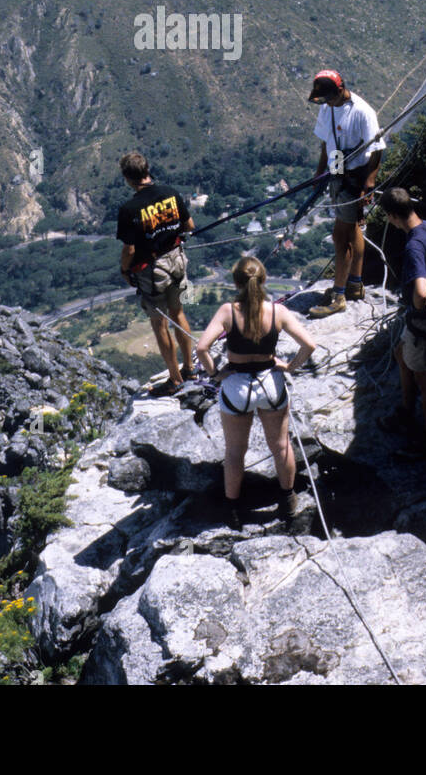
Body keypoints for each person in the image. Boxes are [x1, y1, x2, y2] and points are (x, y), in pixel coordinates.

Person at [195, 256, 317, 528]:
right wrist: (289, 367)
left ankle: (233, 511)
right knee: (281, 446)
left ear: (236, 282)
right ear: (262, 280)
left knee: (235, 452)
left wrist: (216, 373)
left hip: (237, 386)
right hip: (270, 383)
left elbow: (201, 348)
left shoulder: (228, 312)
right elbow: (309, 344)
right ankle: (287, 501)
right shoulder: (277, 312)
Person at [307, 69, 386, 316]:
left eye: (329, 97)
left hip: (354, 179)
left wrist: (369, 183)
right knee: (351, 231)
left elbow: (377, 149)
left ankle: (338, 296)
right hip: (336, 174)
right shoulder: (327, 107)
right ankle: (354, 284)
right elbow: (325, 142)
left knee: (340, 236)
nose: (326, 102)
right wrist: (320, 172)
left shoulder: (363, 112)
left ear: (340, 90)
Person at [378, 187, 426, 457]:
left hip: (425, 321)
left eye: (388, 216)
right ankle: (407, 412)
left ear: (394, 215)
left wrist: (420, 303)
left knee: (425, 378)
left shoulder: (413, 247)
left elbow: (421, 293)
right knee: (401, 353)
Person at [116, 151, 195, 394]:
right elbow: (189, 226)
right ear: (147, 170)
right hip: (177, 260)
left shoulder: (130, 209)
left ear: (128, 178)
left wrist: (124, 270)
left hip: (153, 270)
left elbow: (129, 249)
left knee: (159, 323)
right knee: (178, 313)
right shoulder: (170, 193)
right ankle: (190, 367)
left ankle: (175, 379)